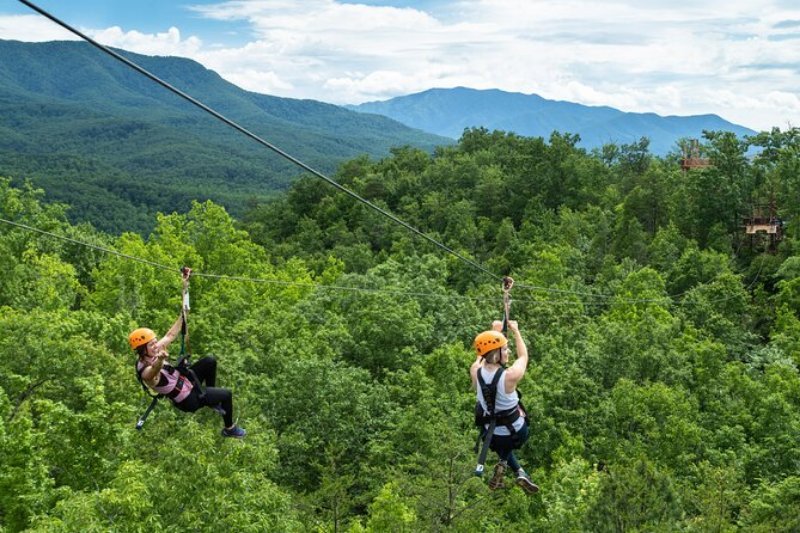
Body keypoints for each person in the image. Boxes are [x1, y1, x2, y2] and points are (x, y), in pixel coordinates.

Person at [128, 270, 245, 438]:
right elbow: (153, 373)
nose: (156, 345)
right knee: (226, 394)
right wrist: (160, 359)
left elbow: (171, 334)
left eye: (155, 342)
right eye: (151, 344)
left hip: (187, 381)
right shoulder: (146, 371)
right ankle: (229, 429)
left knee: (210, 361)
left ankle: (211, 395)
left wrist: (185, 287)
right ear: (142, 350)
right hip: (189, 399)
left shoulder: (152, 350)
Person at [470, 320, 537, 493]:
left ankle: (516, 469)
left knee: (502, 443)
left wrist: (494, 332)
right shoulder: (510, 376)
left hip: (490, 436)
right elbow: (523, 356)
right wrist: (516, 331)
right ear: (497, 354)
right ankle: (510, 467)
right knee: (512, 436)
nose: (509, 352)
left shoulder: (475, 371)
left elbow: (481, 356)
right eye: (505, 349)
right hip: (517, 432)